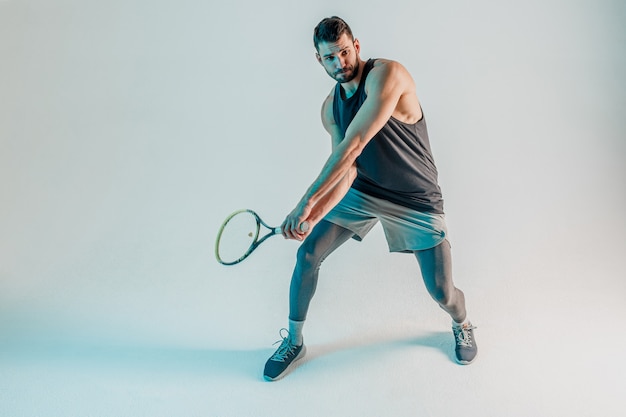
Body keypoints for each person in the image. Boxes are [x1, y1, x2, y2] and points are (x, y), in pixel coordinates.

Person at [263, 16, 477, 381]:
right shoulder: (330, 108)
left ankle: (463, 322)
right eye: (329, 57)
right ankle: (294, 341)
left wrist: (302, 203)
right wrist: (312, 216)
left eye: (344, 52)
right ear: (319, 59)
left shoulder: (387, 75)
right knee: (308, 254)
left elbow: (354, 145)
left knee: (442, 291)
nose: (339, 63)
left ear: (356, 46)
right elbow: (346, 172)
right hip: (363, 191)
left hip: (415, 199)